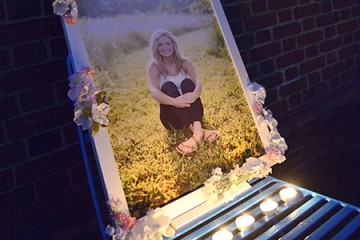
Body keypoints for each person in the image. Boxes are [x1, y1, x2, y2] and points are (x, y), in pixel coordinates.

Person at [147, 29, 219, 155]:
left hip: (192, 111)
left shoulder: (185, 62)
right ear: (156, 47)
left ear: (173, 45)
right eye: (160, 44)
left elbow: (197, 81)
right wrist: (175, 102)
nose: (165, 47)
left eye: (168, 44)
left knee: (187, 83)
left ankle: (196, 135)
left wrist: (194, 94)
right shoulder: (154, 66)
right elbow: (154, 92)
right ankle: (200, 132)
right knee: (168, 86)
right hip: (172, 118)